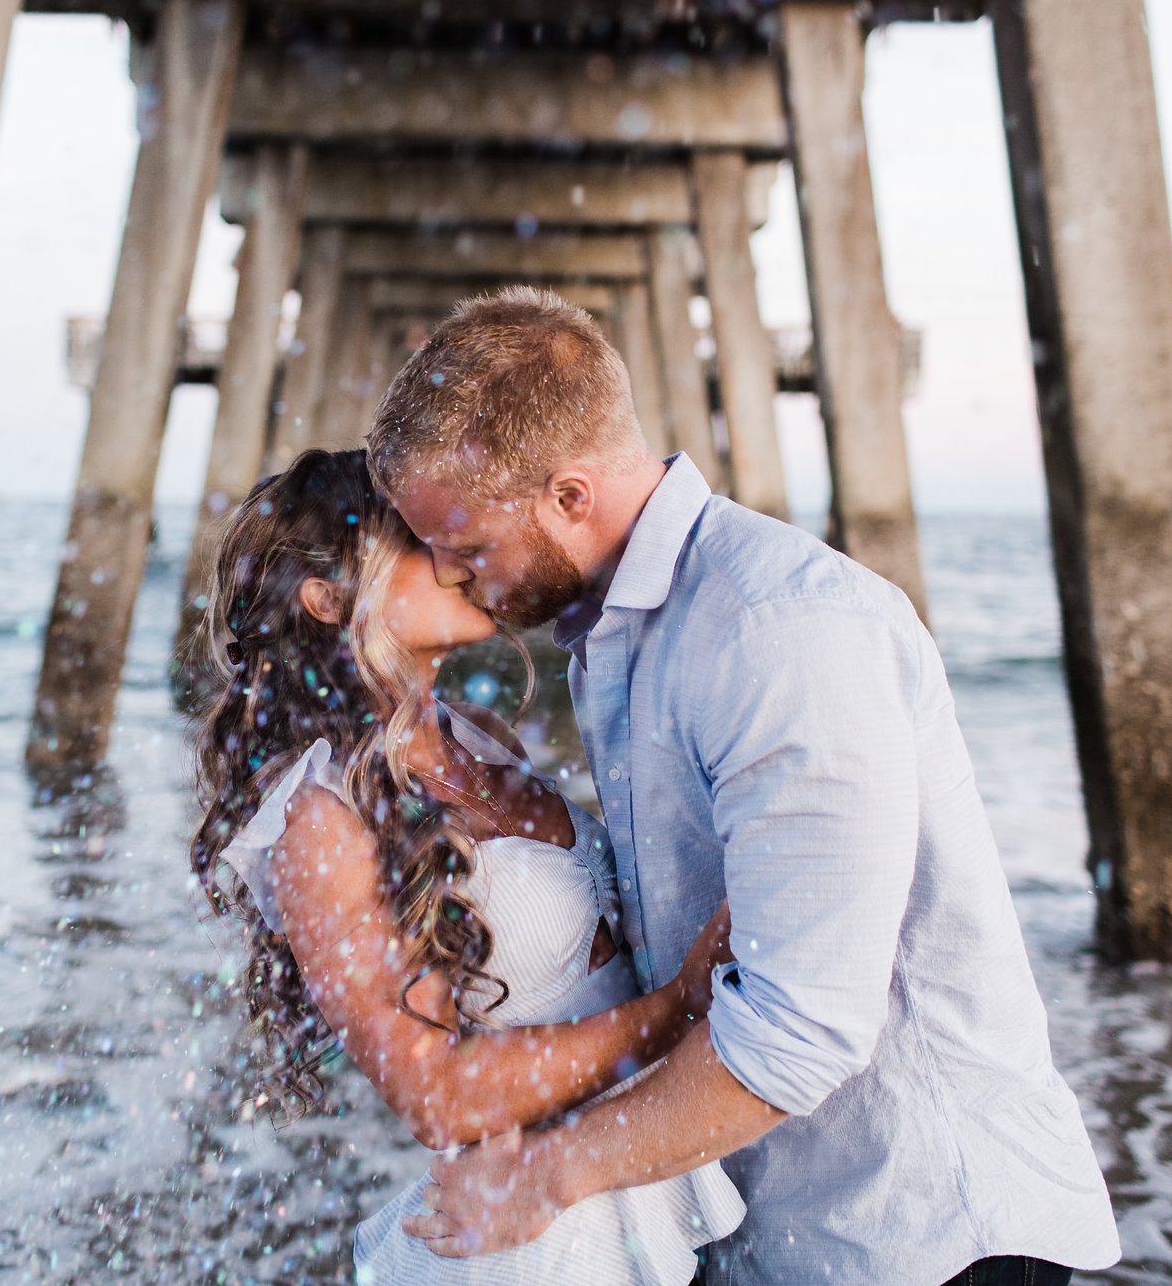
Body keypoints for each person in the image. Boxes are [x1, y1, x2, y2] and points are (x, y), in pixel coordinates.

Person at [367, 288, 1123, 1286]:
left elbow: (799, 1028)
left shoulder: (778, 633)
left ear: (569, 497)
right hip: (788, 1228)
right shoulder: (616, 634)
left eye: (465, 548)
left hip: (922, 1234)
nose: (454, 580)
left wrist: (545, 1176)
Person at [188, 448, 745, 1285]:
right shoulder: (319, 823)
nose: (456, 555)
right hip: (526, 1247)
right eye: (418, 540)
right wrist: (672, 1009)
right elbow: (434, 1091)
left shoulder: (478, 734)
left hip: (627, 1183)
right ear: (328, 598)